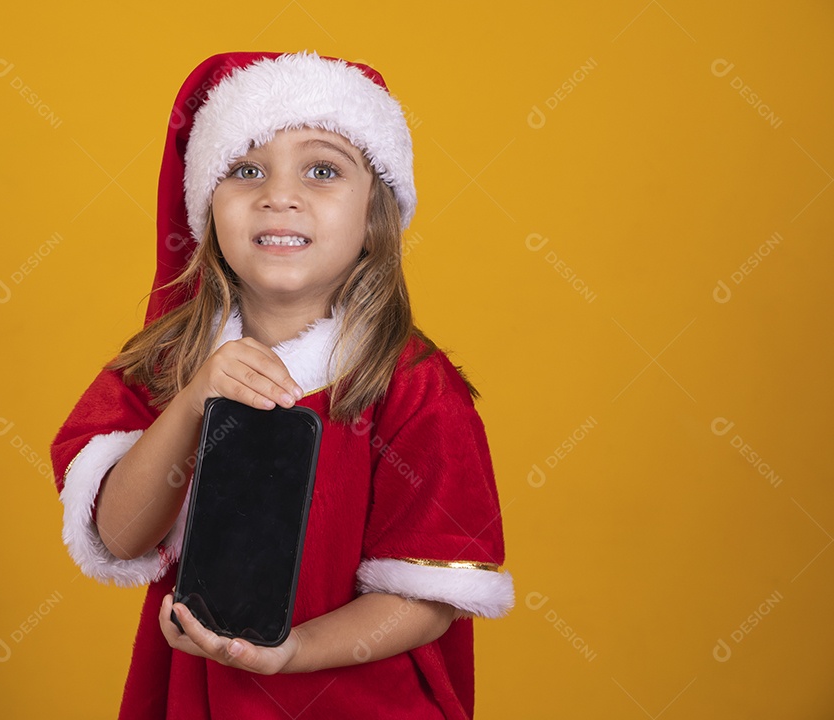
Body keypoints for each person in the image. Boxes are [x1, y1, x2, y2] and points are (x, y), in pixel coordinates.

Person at [50, 50, 514, 719]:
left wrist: (293, 651)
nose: (279, 195)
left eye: (322, 169)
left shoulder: (412, 385)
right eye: (245, 169)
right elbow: (118, 537)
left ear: (374, 216)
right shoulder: (166, 366)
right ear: (208, 209)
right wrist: (191, 406)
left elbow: (427, 598)